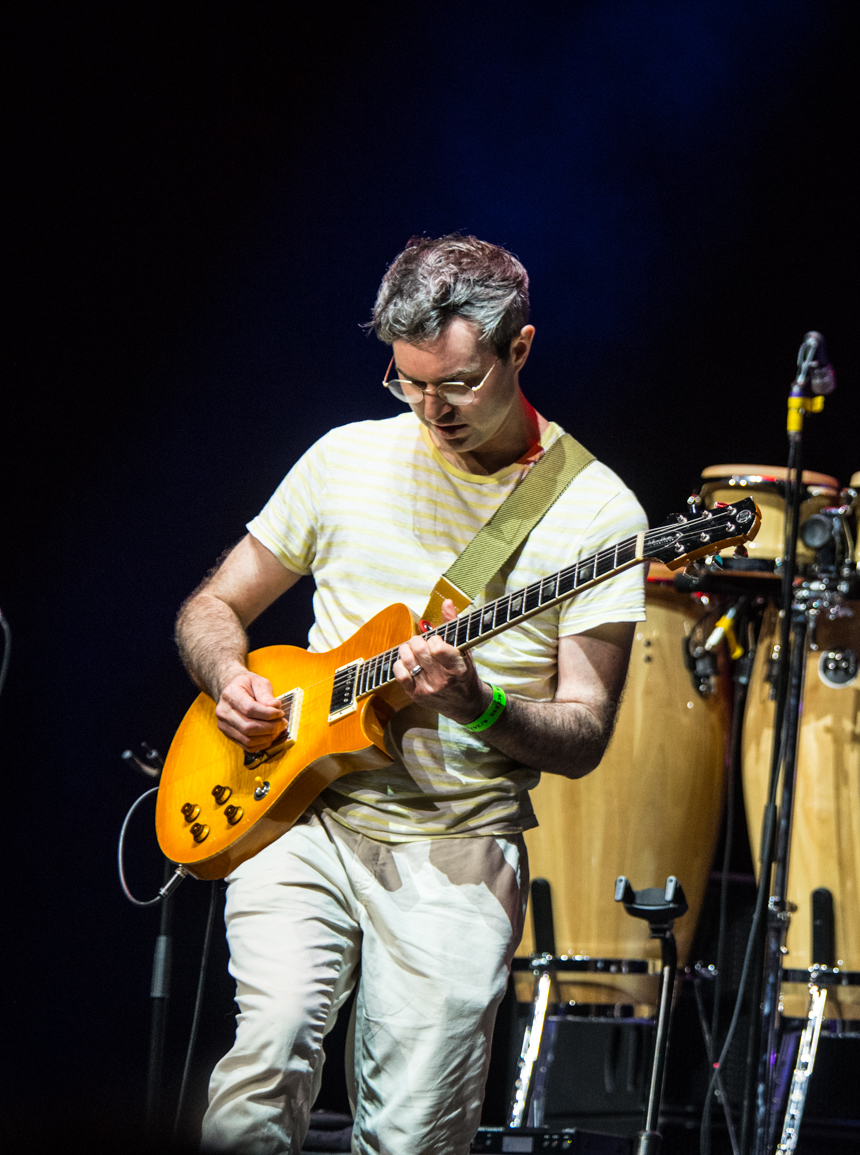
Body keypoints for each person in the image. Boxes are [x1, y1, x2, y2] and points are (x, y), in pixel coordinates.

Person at [175, 234, 648, 1154]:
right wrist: (230, 676)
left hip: (458, 846)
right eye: (409, 382)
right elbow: (213, 605)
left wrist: (478, 703)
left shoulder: (599, 516)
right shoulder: (345, 459)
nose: (432, 409)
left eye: (458, 385)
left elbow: (586, 733)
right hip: (301, 814)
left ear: (520, 350)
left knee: (414, 1132)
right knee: (263, 1056)